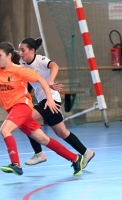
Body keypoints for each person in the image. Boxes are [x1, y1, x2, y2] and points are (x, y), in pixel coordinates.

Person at [0, 41, 84, 176]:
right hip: (12, 110)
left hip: (22, 106)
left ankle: (15, 164)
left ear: (9, 55)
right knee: (43, 139)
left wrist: (49, 99)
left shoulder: (19, 70)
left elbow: (42, 80)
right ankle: (75, 158)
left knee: (5, 130)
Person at [18, 38, 95, 169]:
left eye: (23, 50)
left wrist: (51, 82)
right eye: (19, 50)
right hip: (43, 100)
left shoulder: (40, 60)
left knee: (26, 119)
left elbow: (55, 65)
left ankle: (39, 153)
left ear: (32, 50)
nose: (20, 52)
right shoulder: (21, 62)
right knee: (62, 133)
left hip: (51, 100)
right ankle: (87, 152)